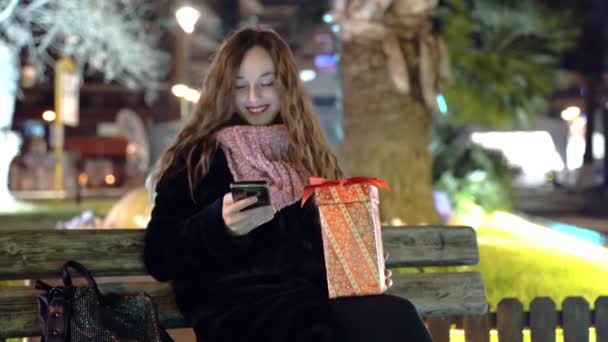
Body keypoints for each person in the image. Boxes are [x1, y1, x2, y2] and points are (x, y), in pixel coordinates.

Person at [144, 26, 433, 342]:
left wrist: (357, 268)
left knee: (395, 316)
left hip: (309, 304)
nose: (253, 97)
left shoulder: (307, 155)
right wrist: (219, 225)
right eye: (241, 87)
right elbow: (160, 256)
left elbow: (308, 258)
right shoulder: (198, 157)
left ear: (286, 85)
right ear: (225, 91)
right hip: (238, 314)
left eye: (266, 84)